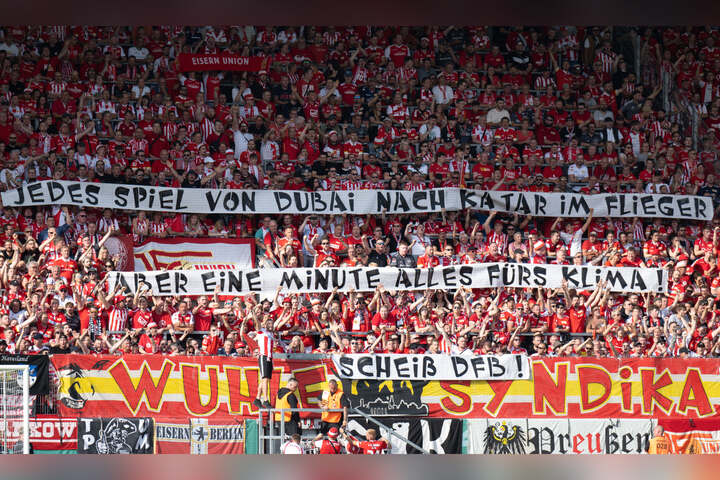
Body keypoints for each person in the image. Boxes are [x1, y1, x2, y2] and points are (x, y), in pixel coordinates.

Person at [253, 317, 276, 409]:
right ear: (265, 324)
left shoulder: (271, 334)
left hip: (269, 357)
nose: (270, 325)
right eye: (268, 324)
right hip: (263, 356)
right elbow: (257, 322)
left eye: (271, 324)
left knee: (265, 379)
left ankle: (257, 398)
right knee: (265, 378)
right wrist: (254, 314)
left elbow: (279, 321)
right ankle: (266, 400)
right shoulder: (261, 331)